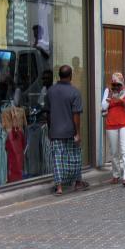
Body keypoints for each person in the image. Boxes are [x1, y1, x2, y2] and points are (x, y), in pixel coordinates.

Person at [44, 65, 88, 196]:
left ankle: (59, 187)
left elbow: (47, 113)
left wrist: (50, 129)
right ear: (71, 76)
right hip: (70, 131)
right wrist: (78, 133)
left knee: (57, 159)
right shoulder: (74, 92)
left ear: (59, 75)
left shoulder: (50, 91)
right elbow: (76, 115)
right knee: (74, 157)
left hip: (55, 131)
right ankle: (78, 182)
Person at [101, 72, 125, 187]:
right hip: (111, 124)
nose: (116, 87)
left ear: (122, 84)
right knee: (114, 152)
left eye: (118, 85)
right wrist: (109, 96)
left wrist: (122, 102)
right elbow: (103, 107)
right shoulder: (108, 91)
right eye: (113, 84)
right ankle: (115, 175)